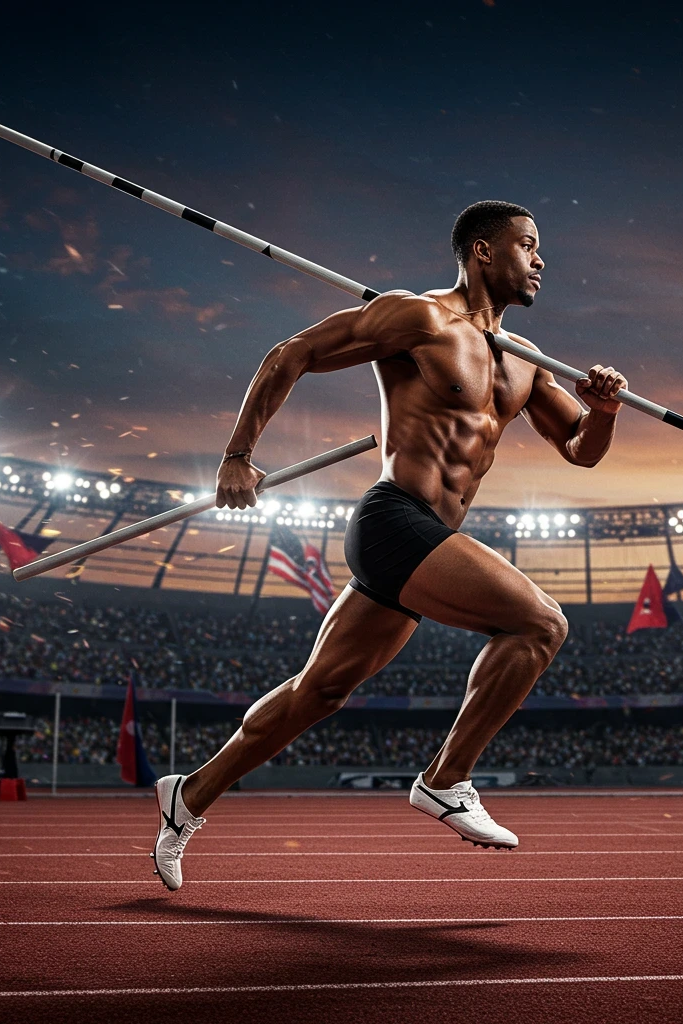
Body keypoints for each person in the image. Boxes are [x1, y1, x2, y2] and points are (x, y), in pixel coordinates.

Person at [151, 200, 627, 889]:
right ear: (483, 252)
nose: (541, 260)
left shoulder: (526, 362)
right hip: (396, 519)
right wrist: (237, 455)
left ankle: (187, 796)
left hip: (429, 538)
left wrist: (606, 410)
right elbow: (295, 352)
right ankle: (446, 779)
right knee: (540, 623)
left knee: (320, 690)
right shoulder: (421, 317)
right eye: (528, 245)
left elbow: (582, 450)